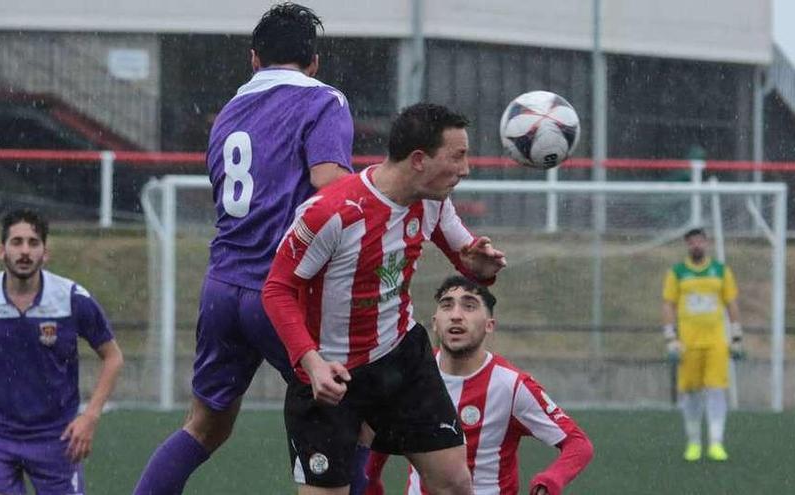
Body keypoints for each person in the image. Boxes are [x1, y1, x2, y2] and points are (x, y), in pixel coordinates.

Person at [133, 3, 355, 493]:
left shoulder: (229, 110)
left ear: (254, 59)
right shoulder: (324, 101)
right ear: (313, 61)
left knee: (204, 427)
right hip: (280, 292)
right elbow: (330, 186)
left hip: (222, 288)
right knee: (352, 411)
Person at [262, 103, 508, 495]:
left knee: (455, 483)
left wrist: (480, 267)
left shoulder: (433, 199)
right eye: (457, 157)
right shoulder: (331, 212)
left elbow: (466, 256)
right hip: (331, 373)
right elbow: (276, 289)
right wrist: (311, 363)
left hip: (400, 360)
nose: (465, 169)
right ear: (418, 160)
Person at [0, 208, 124, 494]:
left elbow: (113, 357)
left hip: (57, 435)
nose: (25, 251)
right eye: (16, 242)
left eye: (33, 242)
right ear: (1, 251)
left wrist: (90, 415)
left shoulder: (71, 299)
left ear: (45, 252)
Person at [363, 276, 594, 495]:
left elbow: (578, 444)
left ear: (489, 325)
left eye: (469, 306)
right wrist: (370, 482)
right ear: (435, 323)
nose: (456, 315)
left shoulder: (511, 385)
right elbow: (381, 433)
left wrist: (550, 480)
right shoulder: (411, 375)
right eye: (446, 305)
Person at [662, 227, 743, 462]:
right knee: (691, 392)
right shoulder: (677, 272)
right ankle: (694, 442)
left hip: (716, 342)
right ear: (687, 245)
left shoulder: (720, 271)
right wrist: (670, 337)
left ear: (706, 243)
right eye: (692, 242)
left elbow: (731, 302)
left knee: (717, 389)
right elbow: (668, 305)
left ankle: (716, 442)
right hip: (688, 344)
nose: (696, 245)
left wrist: (736, 335)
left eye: (700, 241)